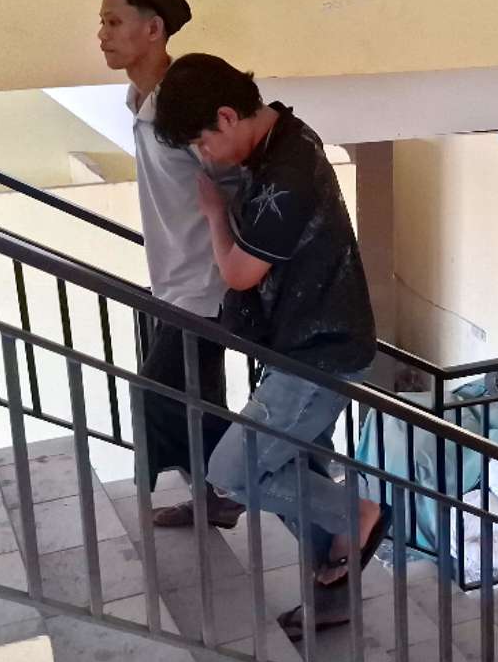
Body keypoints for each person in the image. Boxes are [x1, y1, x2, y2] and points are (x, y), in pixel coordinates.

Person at [152, 53, 387, 589]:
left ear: (227, 116)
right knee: (297, 466)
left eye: (202, 142)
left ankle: (359, 514)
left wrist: (215, 214)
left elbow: (239, 273)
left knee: (232, 473)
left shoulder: (289, 173)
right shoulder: (283, 137)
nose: (204, 156)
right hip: (309, 345)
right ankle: (336, 582)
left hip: (318, 354)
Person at [97, 0, 246, 528]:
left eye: (114, 22)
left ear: (153, 29)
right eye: (102, 22)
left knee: (159, 394)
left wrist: (232, 258)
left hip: (206, 285)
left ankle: (257, 479)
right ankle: (217, 497)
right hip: (173, 279)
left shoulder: (182, 106)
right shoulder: (138, 102)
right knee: (196, 399)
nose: (102, 34)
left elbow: (232, 178)